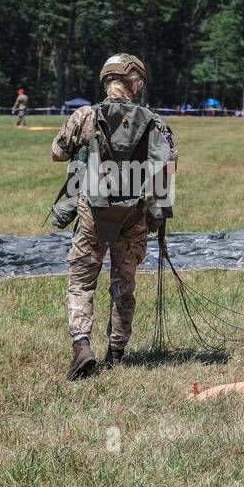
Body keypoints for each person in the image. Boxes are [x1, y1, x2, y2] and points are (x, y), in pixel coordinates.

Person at [50, 53, 177, 380]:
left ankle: (82, 346)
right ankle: (116, 355)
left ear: (107, 81)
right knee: (124, 286)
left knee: (81, 282)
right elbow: (168, 167)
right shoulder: (153, 121)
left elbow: (56, 154)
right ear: (133, 82)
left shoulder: (84, 116)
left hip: (92, 212)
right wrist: (158, 216)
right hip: (133, 216)